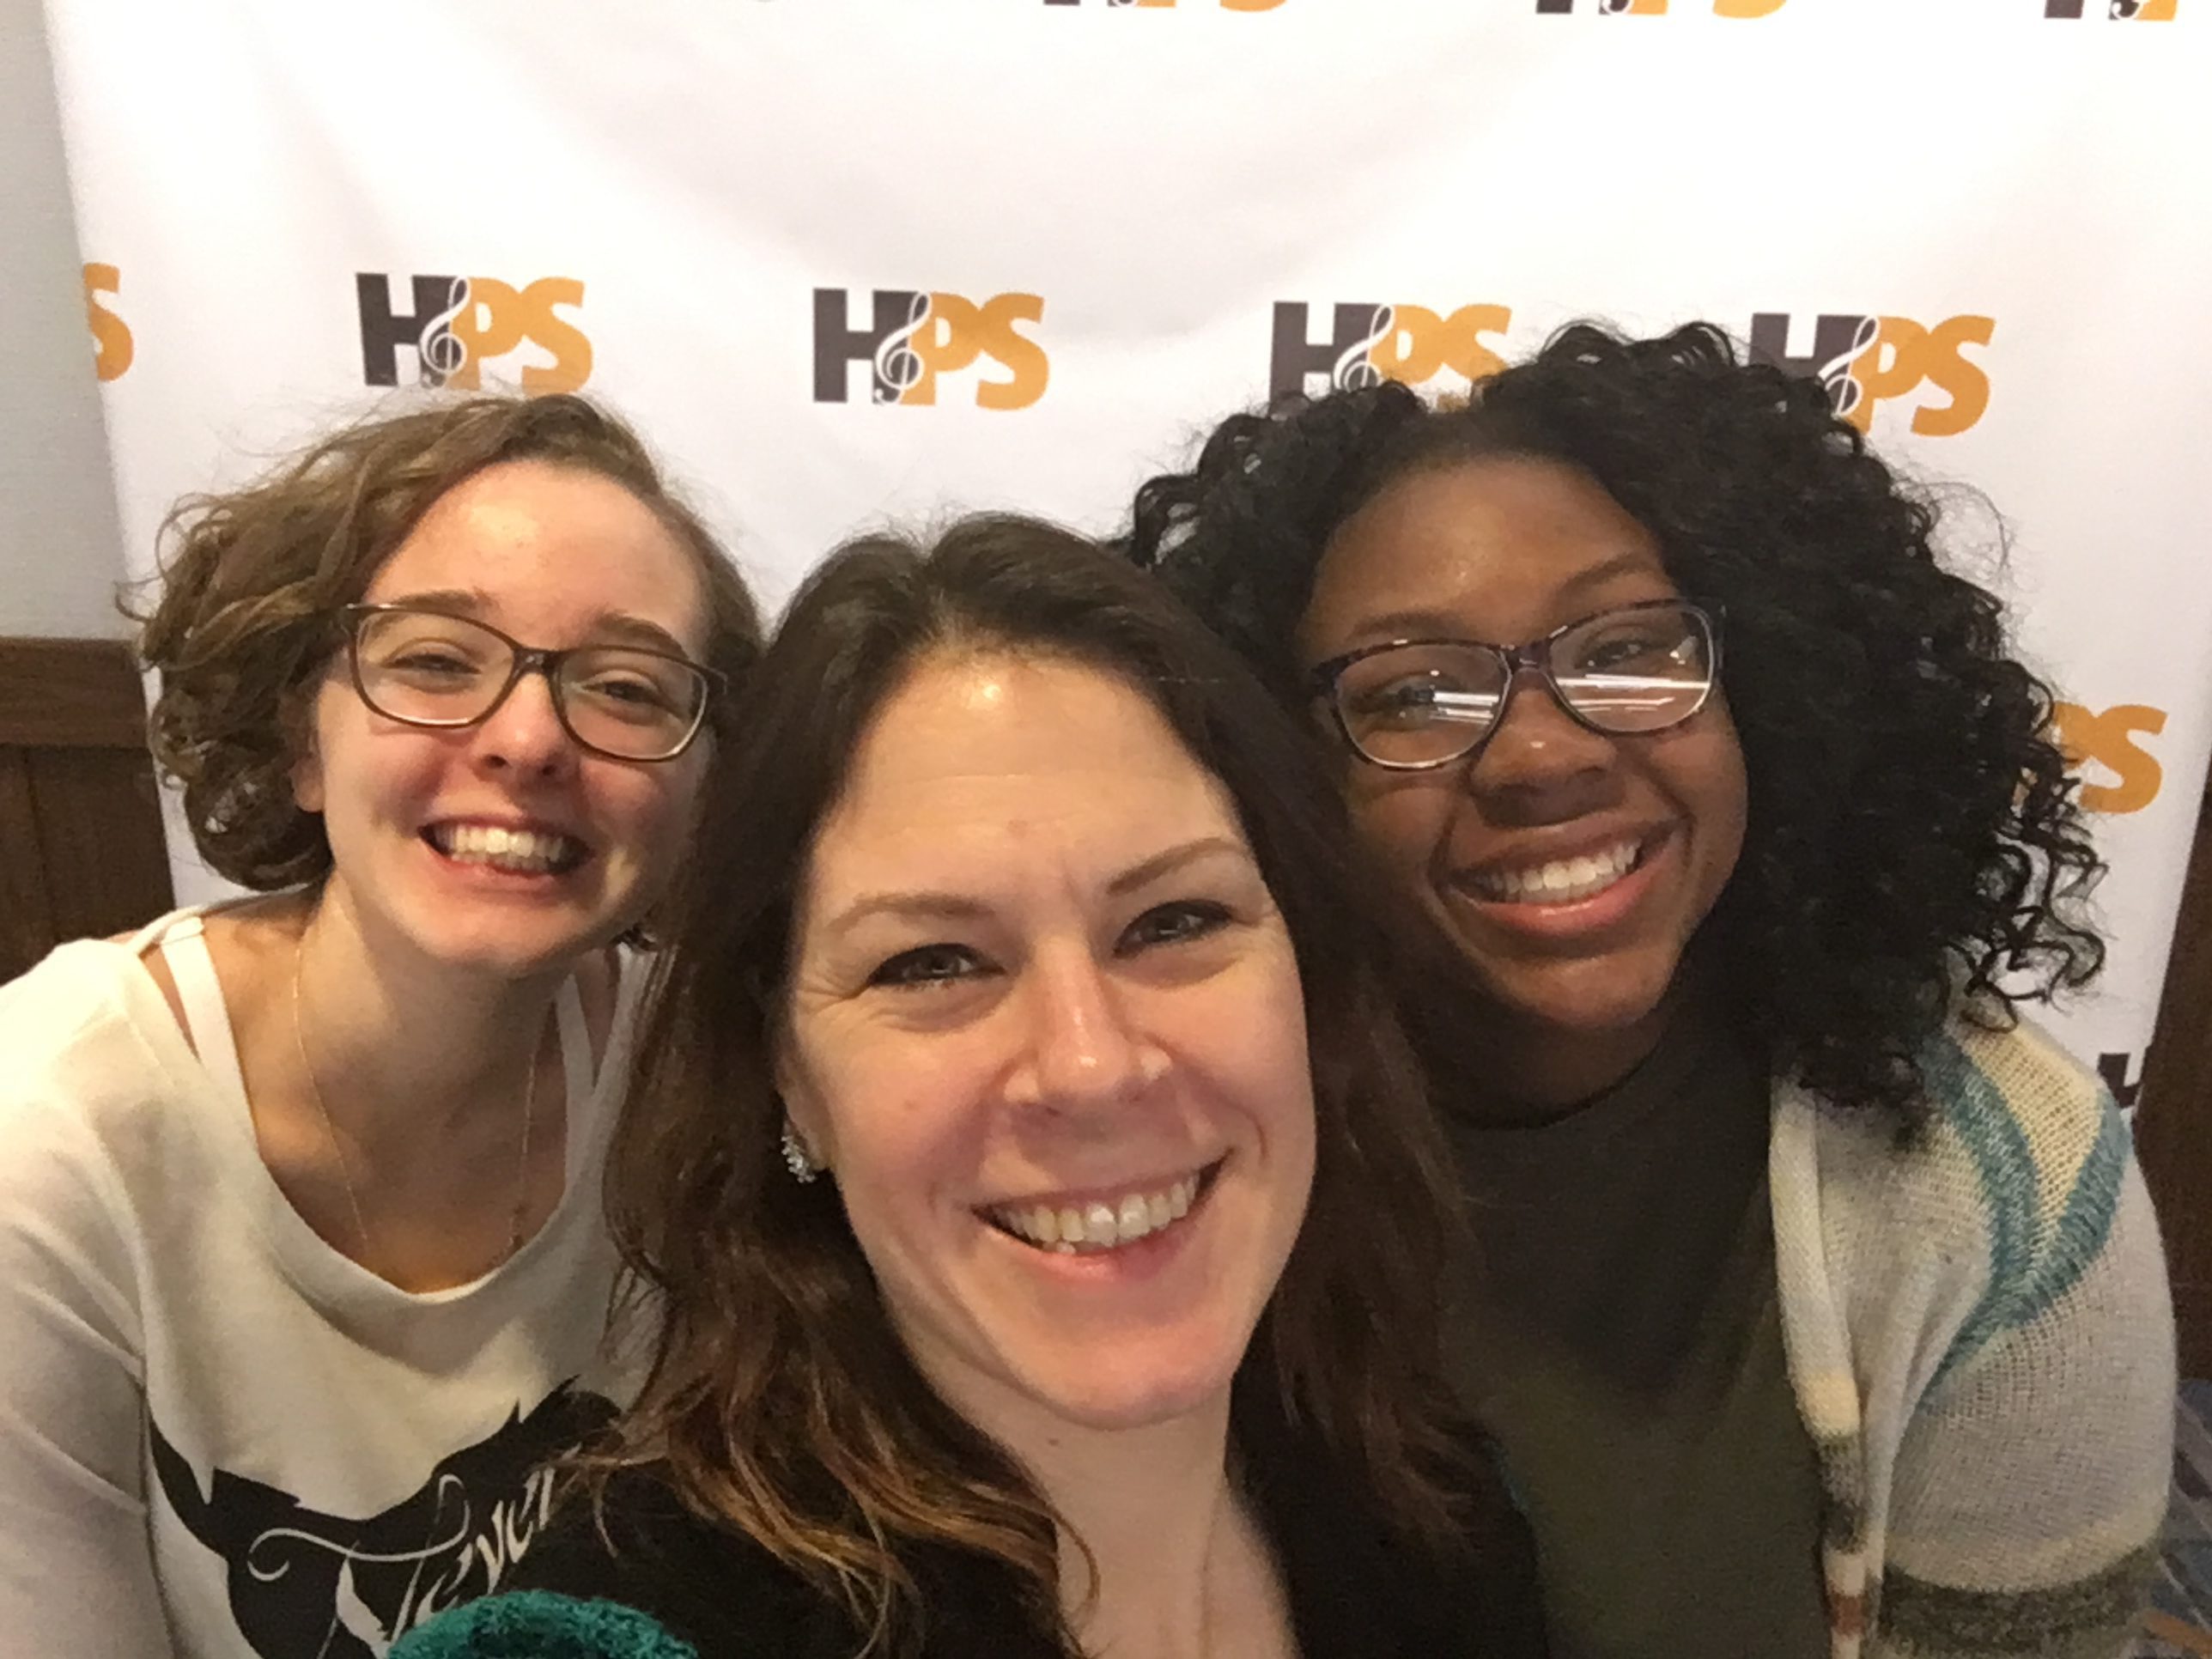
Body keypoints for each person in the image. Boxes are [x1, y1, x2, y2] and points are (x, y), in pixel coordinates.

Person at [1121, 322, 2177, 1659]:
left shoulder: (2000, 1188)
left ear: (1774, 695)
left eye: (1628, 651)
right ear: (1281, 768)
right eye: (1418, 694)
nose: (1543, 755)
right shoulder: (1152, 1136)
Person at [389, 517, 1547, 1658]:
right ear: (785, 1076)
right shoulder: (616, 1635)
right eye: (932, 962)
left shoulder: (1434, 1523)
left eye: (1172, 921)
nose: (1091, 1065)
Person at [0, 392, 763, 1659]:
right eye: (434, 661)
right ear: (303, 738)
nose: (527, 739)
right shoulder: (45, 1147)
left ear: (701, 788)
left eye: (626, 687)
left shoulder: (705, 1091)